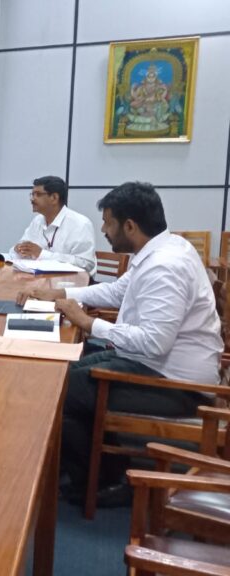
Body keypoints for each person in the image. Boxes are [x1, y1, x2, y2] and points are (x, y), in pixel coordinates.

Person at [17, 182, 221, 505]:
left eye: (108, 223)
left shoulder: (165, 266)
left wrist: (88, 323)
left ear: (130, 226)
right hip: (150, 365)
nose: (103, 230)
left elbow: (154, 343)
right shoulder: (160, 250)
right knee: (65, 368)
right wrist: (59, 294)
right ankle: (94, 468)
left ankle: (103, 482)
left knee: (60, 388)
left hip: (177, 385)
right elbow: (115, 291)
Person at [8, 176, 96, 275]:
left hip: (72, 281)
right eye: (32, 194)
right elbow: (20, 249)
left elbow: (85, 264)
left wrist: (42, 254)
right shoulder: (37, 221)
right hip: (39, 278)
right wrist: (19, 249)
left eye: (38, 194)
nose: (32, 199)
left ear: (54, 198)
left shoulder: (80, 224)